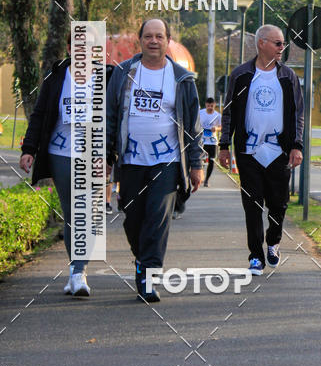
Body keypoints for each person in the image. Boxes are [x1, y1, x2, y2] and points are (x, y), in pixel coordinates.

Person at [106, 18, 203, 303]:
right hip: (131, 161)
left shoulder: (181, 79)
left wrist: (196, 164)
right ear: (141, 40)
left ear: (167, 40)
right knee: (132, 218)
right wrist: (107, 156)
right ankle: (143, 260)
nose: (153, 41)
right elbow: (111, 116)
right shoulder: (124, 73)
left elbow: (193, 126)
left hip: (168, 161)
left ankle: (149, 276)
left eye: (159, 36)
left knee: (157, 219)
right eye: (148, 36)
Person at [218, 25, 303, 275]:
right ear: (261, 44)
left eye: (283, 44)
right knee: (252, 204)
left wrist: (297, 145)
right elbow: (229, 112)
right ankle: (255, 255)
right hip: (249, 151)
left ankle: (273, 242)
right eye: (277, 43)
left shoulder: (288, 77)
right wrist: (224, 145)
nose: (281, 48)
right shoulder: (241, 74)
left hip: (279, 150)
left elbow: (298, 114)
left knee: (279, 203)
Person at [19, 39, 98, 296]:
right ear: (68, 49)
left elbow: (116, 114)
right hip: (61, 151)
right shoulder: (56, 77)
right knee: (74, 211)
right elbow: (40, 113)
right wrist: (29, 149)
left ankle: (77, 270)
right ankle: (78, 272)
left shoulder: (105, 78)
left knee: (88, 212)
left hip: (92, 154)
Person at [198, 97, 221, 187]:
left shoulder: (218, 115)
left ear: (214, 105)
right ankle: (200, 176)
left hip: (212, 141)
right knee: (200, 160)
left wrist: (216, 128)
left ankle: (207, 180)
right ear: (206, 105)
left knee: (212, 161)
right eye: (208, 106)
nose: (210, 107)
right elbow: (195, 124)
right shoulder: (200, 113)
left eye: (212, 106)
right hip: (202, 140)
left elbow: (221, 126)